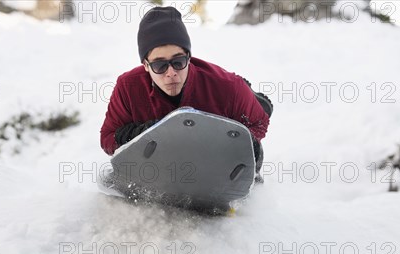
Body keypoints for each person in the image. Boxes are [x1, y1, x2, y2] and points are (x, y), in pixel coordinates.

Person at [100, 6, 272, 180]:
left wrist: (233, 144)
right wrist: (143, 133)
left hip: (214, 150)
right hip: (161, 160)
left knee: (254, 152)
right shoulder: (128, 86)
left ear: (189, 57)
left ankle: (252, 98)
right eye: (159, 65)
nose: (171, 73)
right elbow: (107, 138)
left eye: (178, 62)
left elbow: (259, 122)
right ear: (145, 65)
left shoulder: (227, 86)